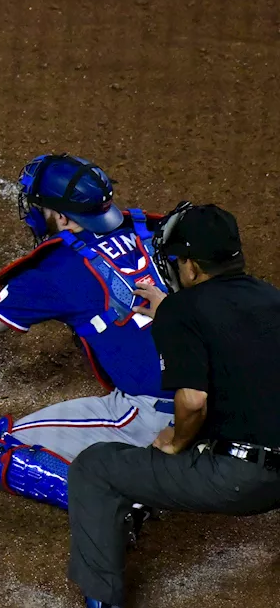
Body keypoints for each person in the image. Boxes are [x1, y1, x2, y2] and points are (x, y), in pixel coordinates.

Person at [0, 154, 173, 513]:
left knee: (3, 452)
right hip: (236, 390)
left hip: (164, 415)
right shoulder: (154, 229)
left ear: (60, 216)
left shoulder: (56, 270)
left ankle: (113, 510)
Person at [67, 203, 280, 608]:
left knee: (96, 468)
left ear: (192, 267)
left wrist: (177, 442)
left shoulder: (183, 311)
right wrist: (173, 312)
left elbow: (193, 402)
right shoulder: (272, 298)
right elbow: (234, 330)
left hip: (242, 482)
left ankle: (101, 600)